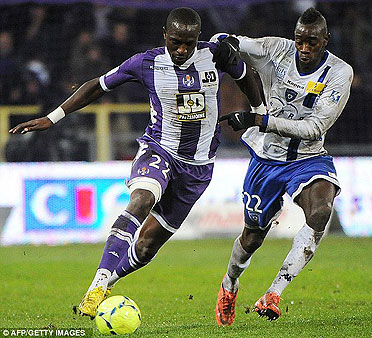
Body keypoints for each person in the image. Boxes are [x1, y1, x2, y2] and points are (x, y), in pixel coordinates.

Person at [9, 7, 264, 319]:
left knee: (145, 247)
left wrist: (260, 113)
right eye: (175, 42)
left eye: (188, 43)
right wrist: (53, 117)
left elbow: (246, 75)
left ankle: (110, 282)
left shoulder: (216, 56)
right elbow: (97, 85)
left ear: (198, 38)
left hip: (198, 167)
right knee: (141, 200)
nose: (182, 50)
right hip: (160, 149)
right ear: (164, 36)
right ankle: (96, 285)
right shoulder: (147, 62)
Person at [214, 7, 353, 326]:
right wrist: (225, 43)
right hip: (267, 161)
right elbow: (231, 41)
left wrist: (259, 119)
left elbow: (315, 127)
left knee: (320, 212)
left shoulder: (339, 73)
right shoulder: (276, 49)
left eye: (312, 43)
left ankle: (274, 293)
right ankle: (229, 285)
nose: (304, 48)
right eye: (300, 40)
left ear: (325, 41)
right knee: (252, 238)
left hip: (308, 158)